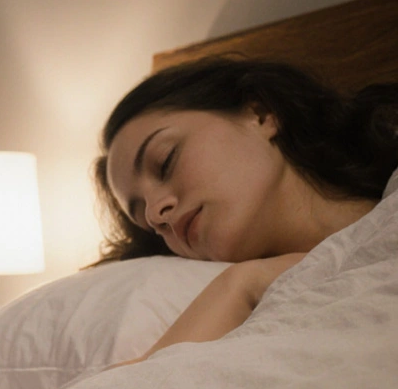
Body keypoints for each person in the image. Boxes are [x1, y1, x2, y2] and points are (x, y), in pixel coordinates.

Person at [91, 57, 398, 366]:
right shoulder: (249, 298)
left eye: (166, 161)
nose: (156, 214)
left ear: (261, 114)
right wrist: (241, 284)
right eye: (145, 221)